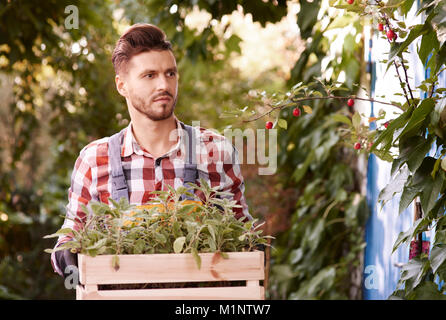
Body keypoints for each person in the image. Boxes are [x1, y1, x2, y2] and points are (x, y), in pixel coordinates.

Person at [51, 23, 253, 278]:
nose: (164, 85)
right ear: (121, 85)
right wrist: (68, 255)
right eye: (149, 75)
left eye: (170, 74)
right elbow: (68, 236)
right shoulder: (94, 160)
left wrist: (254, 247)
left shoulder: (216, 151)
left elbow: (243, 235)